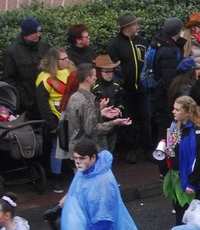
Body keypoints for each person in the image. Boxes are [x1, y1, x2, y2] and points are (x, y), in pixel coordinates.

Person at [164, 96, 200, 224]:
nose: (173, 112)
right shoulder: (178, 128)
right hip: (183, 180)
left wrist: (192, 183)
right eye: (174, 109)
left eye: (177, 110)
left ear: (187, 113)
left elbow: (199, 158)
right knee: (181, 219)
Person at [106, 12, 151, 163]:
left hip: (142, 89)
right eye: (135, 24)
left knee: (145, 118)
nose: (138, 26)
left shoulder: (141, 41)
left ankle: (148, 148)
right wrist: (120, 84)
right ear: (127, 27)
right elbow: (113, 67)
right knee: (127, 120)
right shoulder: (115, 45)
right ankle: (130, 150)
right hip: (125, 91)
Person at [63, 63, 131, 155]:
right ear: (88, 79)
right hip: (88, 150)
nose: (96, 78)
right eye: (94, 76)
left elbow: (82, 120)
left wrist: (99, 111)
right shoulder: (87, 101)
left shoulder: (74, 97)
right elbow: (92, 129)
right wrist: (114, 123)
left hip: (77, 147)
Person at [36, 46, 73, 185]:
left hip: (72, 114)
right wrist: (51, 124)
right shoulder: (44, 77)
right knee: (56, 148)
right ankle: (56, 177)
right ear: (54, 61)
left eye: (67, 58)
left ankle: (74, 173)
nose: (66, 61)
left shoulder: (70, 71)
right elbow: (42, 103)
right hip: (56, 117)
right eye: (63, 59)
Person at [4, 17, 51, 118]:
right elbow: (9, 78)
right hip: (26, 104)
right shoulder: (12, 52)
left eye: (39, 31)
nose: (38, 35)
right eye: (35, 32)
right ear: (26, 34)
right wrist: (20, 98)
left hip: (45, 99)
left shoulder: (44, 46)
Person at [149, 17, 185, 137]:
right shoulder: (168, 52)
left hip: (162, 94)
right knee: (166, 126)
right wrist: (176, 99)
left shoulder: (162, 42)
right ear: (177, 31)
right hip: (166, 97)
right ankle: (164, 147)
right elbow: (169, 80)